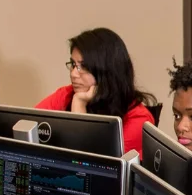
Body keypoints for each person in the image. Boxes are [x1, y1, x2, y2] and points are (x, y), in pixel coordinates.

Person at [37, 28, 157, 156]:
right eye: (73, 64)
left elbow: (90, 165)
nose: (73, 74)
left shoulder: (138, 119)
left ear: (107, 71)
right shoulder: (66, 94)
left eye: (83, 66)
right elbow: (26, 126)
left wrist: (79, 104)